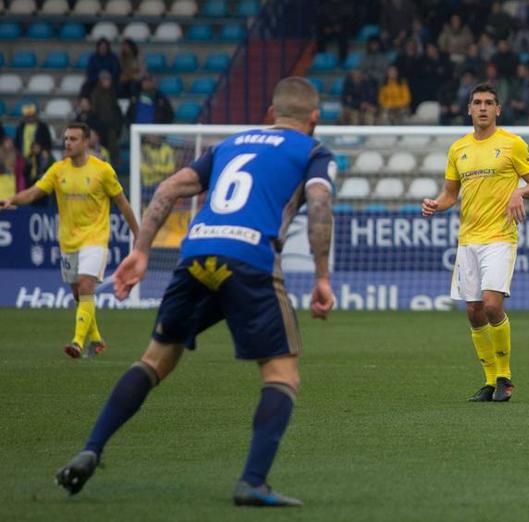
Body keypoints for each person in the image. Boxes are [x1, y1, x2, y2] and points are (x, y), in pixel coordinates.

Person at [52, 78, 337, 506]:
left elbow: (167, 189)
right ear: (314, 117)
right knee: (282, 374)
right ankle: (253, 482)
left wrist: (141, 252)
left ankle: (91, 448)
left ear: (272, 113)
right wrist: (321, 277)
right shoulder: (314, 151)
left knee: (154, 360)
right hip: (249, 258)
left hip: (197, 255)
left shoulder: (230, 144)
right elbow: (319, 204)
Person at [422, 84, 529, 403]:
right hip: (468, 240)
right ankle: (489, 381)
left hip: (500, 238)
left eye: (489, 103)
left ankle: (505, 377)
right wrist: (437, 203)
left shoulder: (512, 144)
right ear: (469, 109)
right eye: (477, 103)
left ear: (498, 110)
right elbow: (450, 194)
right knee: (474, 312)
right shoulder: (458, 149)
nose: (483, 108)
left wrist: (519, 192)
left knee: (492, 305)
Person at [0, 123, 139, 358]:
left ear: (86, 142)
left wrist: (138, 231)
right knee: (78, 294)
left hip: (95, 238)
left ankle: (77, 342)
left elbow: (122, 202)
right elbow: (34, 192)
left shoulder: (102, 170)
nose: (68, 143)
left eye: (73, 139)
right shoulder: (58, 170)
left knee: (86, 285)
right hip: (68, 241)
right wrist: (11, 199)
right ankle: (96, 339)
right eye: (66, 138)